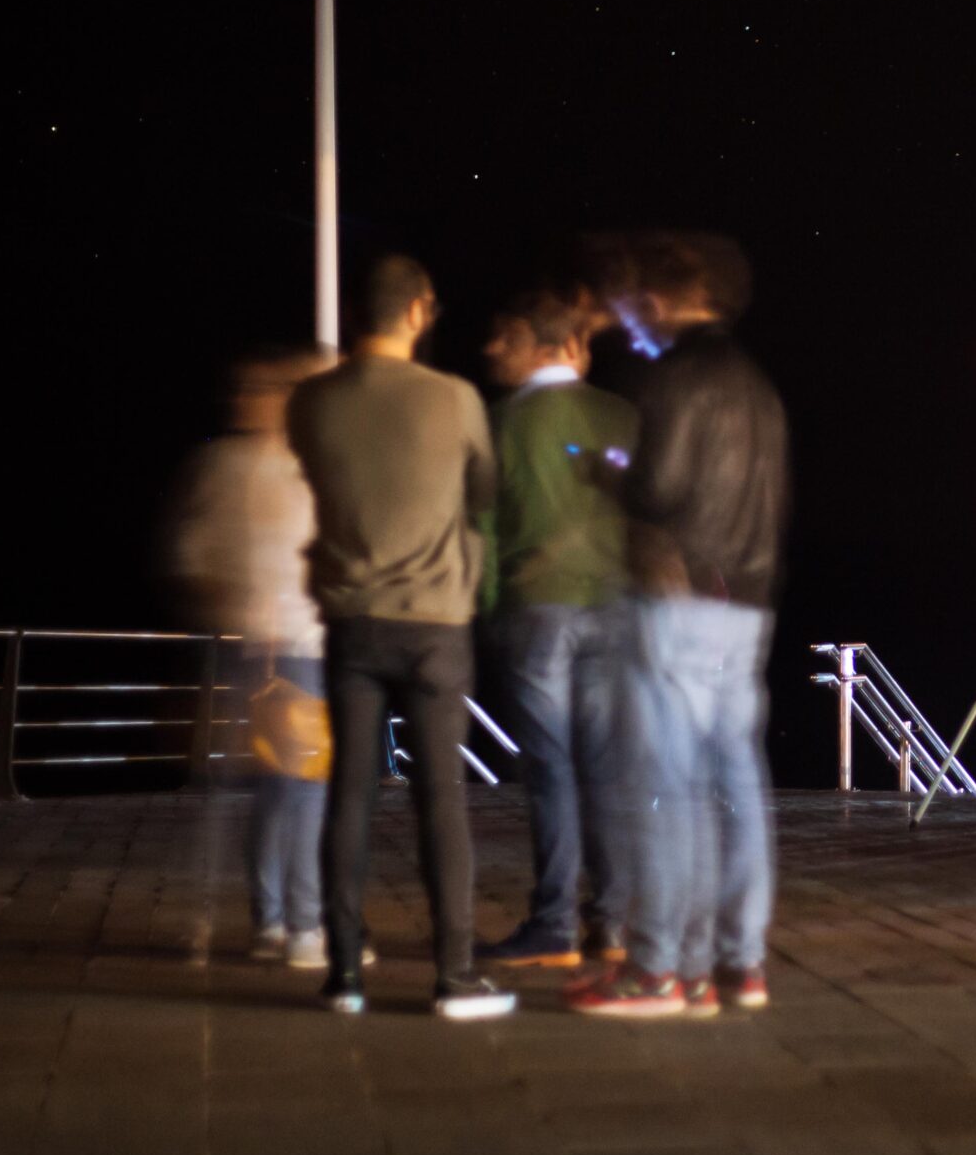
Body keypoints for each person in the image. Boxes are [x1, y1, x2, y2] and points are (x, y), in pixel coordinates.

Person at [568, 233, 790, 1019]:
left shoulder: (675, 377)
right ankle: (740, 962)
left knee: (666, 784)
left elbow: (657, 487)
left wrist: (605, 475)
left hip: (676, 597)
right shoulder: (760, 388)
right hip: (747, 602)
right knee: (736, 778)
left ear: (664, 298)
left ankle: (659, 966)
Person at [286, 256, 514, 1018]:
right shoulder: (453, 399)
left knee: (348, 792)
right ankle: (454, 974)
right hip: (435, 624)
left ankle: (344, 973)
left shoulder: (311, 401)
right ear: (420, 310)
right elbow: (485, 494)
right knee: (439, 797)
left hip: (353, 617)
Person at [164, 345, 352, 971]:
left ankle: (270, 921)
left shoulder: (220, 463)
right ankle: (302, 926)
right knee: (303, 790)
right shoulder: (297, 467)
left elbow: (193, 557)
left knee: (277, 792)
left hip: (253, 650)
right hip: (298, 646)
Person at [474, 291, 644, 971]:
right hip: (612, 604)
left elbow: (484, 527)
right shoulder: (620, 414)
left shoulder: (500, 422)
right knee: (605, 767)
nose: (492, 350)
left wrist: (489, 607)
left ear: (538, 342)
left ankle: (552, 925)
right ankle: (611, 921)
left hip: (537, 608)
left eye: (504, 338)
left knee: (550, 771)